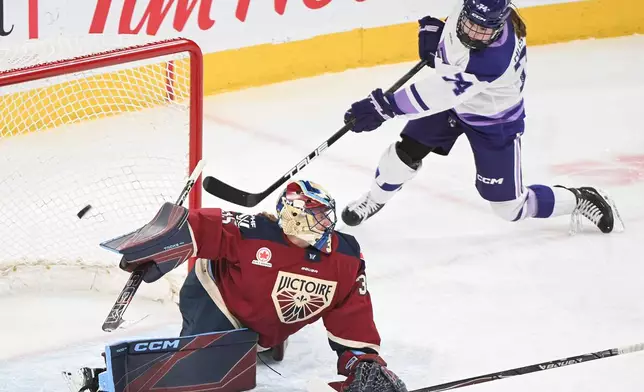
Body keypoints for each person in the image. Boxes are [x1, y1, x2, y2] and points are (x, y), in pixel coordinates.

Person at [71, 180, 407, 392]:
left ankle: (262, 340)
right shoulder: (255, 231)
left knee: (259, 347)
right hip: (218, 297)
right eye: (312, 217)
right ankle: (105, 380)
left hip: (266, 314)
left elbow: (353, 315)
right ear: (290, 218)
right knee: (211, 373)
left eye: (324, 217)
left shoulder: (346, 258)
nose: (323, 225)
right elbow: (197, 226)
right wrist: (154, 247)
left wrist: (363, 363)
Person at [340, 0, 623, 235]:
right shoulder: (484, 10)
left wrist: (384, 106)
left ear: (499, 24)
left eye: (484, 30)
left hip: (493, 121)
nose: (474, 33)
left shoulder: (490, 60)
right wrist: (439, 43)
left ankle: (578, 198)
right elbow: (450, 72)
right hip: (455, 105)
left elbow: (437, 94)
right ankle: (373, 199)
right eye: (470, 23)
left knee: (509, 209)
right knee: (406, 151)